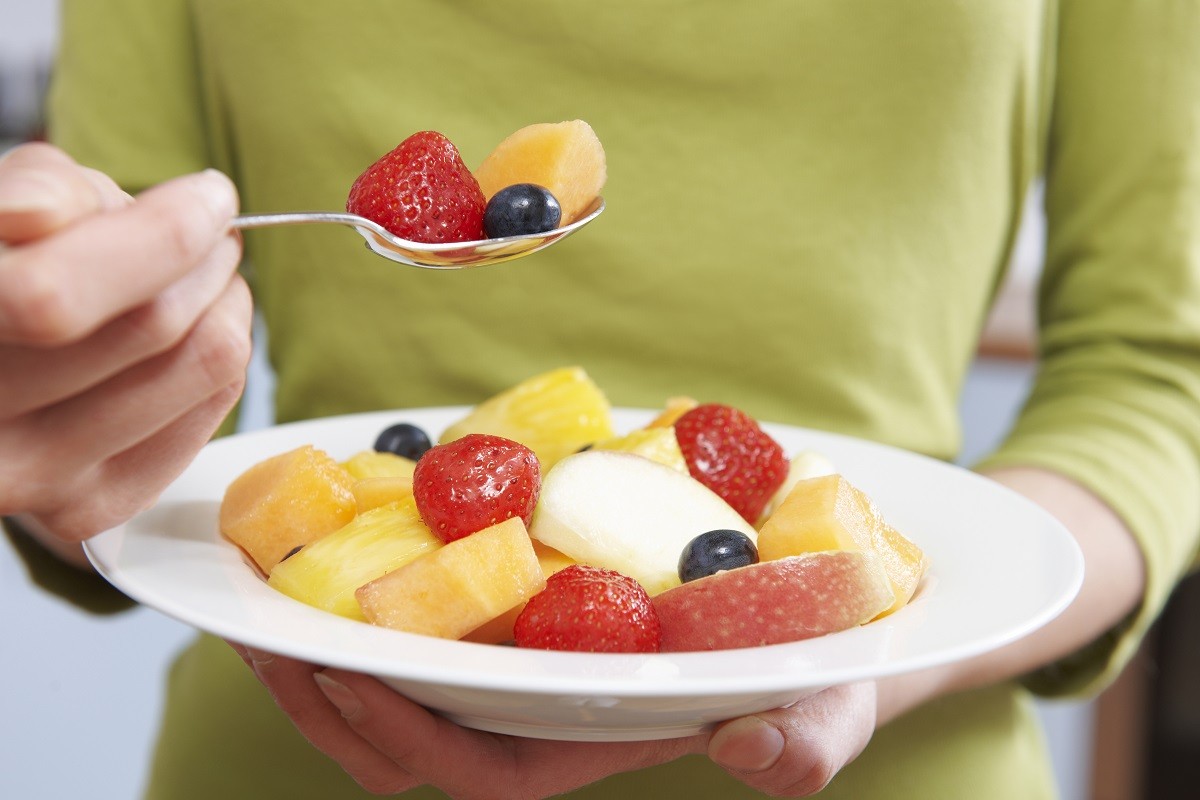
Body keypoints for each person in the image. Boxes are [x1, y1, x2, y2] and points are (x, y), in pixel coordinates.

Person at [3, 0, 1198, 797]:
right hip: (302, 729)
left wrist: (890, 660)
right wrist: (51, 395)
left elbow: (1158, 371)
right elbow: (114, 371)